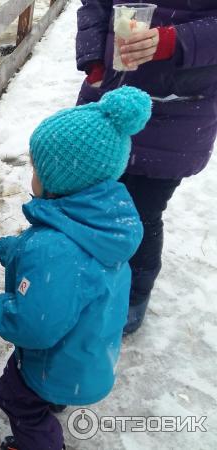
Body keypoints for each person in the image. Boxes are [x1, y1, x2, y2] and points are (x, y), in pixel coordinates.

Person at [0, 86, 150, 450]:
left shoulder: (54, 247)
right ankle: (54, 398)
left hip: (53, 363)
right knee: (43, 395)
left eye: (36, 167)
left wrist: (0, 309)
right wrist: (3, 248)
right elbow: (61, 266)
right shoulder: (103, 222)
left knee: (15, 398)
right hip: (89, 351)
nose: (32, 175)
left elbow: (33, 326)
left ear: (60, 180)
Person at [76, 1, 217, 334]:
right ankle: (81, 279)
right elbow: (94, 5)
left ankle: (133, 295)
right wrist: (93, 58)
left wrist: (174, 41)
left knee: (141, 210)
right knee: (86, 197)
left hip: (178, 109)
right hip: (109, 95)